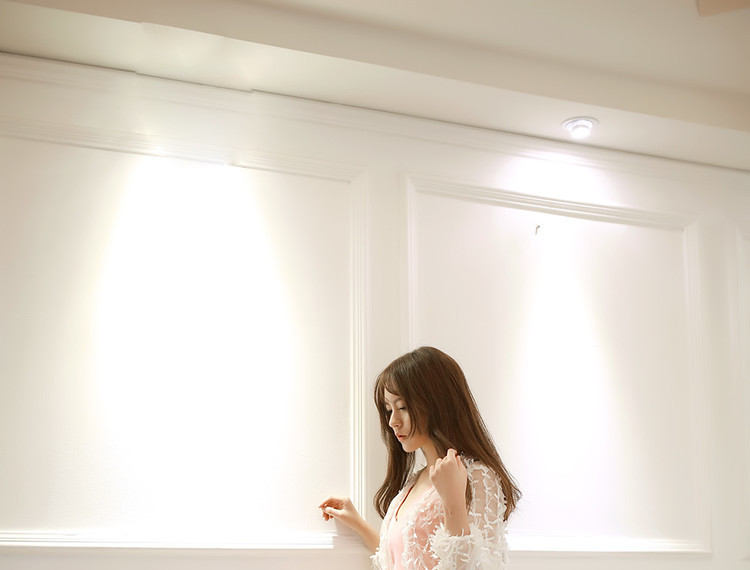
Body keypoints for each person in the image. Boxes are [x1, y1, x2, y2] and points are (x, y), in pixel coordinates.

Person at [319, 346, 520, 569]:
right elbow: (403, 560)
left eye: (402, 407)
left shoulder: (477, 477)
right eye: (389, 409)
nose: (392, 421)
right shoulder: (414, 482)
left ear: (436, 403)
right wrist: (357, 523)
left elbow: (478, 566)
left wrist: (453, 503)